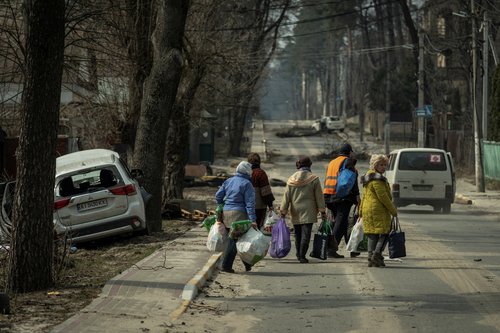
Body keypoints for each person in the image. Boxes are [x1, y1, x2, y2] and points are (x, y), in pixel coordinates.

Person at [280, 156, 326, 263]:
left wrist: (283, 211)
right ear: (310, 165)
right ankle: (302, 255)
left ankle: (298, 253)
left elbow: (286, 196)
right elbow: (319, 196)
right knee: (306, 234)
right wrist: (322, 210)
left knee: (298, 234)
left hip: (295, 210)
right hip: (309, 211)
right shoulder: (314, 178)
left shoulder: (291, 179)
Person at [215, 161, 257, 273]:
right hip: (239, 215)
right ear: (248, 172)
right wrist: (253, 220)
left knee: (237, 239)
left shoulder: (228, 181)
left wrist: (221, 204)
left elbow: (218, 195)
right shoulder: (247, 184)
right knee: (235, 240)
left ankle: (247, 264)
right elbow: (250, 204)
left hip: (226, 213)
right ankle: (226, 266)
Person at [359, 154, 398, 267]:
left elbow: (365, 195)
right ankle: (376, 255)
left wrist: (361, 210)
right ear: (375, 165)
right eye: (381, 164)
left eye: (385, 164)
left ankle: (371, 259)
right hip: (377, 210)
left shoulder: (368, 177)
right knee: (385, 233)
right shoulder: (377, 179)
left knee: (372, 234)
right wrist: (393, 211)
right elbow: (383, 197)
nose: (383, 167)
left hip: (368, 208)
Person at [323, 143, 360, 258]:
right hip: (342, 196)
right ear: (349, 152)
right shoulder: (347, 161)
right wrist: (357, 195)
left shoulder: (332, 162)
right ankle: (330, 249)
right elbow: (351, 180)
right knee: (340, 222)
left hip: (328, 195)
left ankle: (352, 248)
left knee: (342, 222)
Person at [247, 153, 275, 229]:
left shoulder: (246, 173)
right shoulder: (260, 173)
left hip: (246, 206)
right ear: (259, 162)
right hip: (259, 207)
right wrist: (270, 205)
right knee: (258, 227)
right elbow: (265, 191)